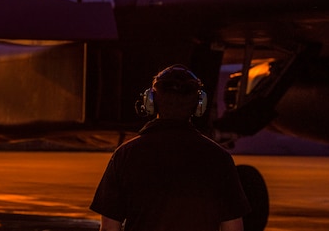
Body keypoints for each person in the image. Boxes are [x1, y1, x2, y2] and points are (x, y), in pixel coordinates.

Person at [90, 64, 251, 231]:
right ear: (199, 106)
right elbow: (233, 227)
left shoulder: (125, 155)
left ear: (150, 102)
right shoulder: (219, 158)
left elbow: (109, 227)